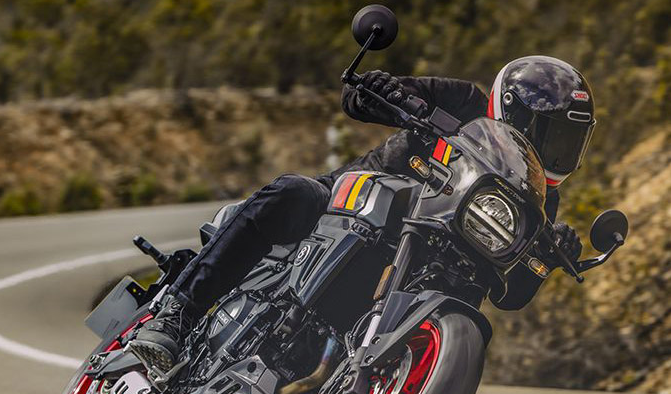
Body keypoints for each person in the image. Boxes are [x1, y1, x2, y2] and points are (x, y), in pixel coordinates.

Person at [128, 56, 596, 373]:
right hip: (349, 204)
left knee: (466, 304)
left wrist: (545, 260)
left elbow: (509, 295)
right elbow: (357, 100)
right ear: (513, 111)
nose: (553, 148)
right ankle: (176, 314)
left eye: (568, 140)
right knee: (294, 192)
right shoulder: (463, 101)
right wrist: (382, 90)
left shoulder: (538, 199)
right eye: (548, 133)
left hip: (421, 267)